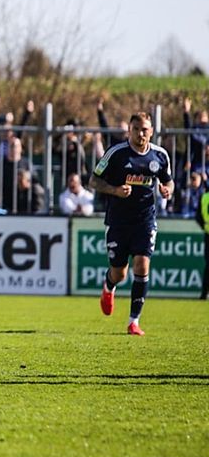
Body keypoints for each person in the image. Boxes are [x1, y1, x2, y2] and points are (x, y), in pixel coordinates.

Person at [90, 112, 173, 336]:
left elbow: (168, 181)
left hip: (145, 220)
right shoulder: (116, 153)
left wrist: (167, 190)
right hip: (118, 221)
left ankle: (133, 321)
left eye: (144, 129)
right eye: (136, 129)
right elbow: (93, 180)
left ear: (151, 131)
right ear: (129, 130)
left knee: (142, 265)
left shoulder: (160, 155)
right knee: (120, 273)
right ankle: (109, 286)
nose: (140, 134)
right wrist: (115, 190)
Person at [196, 184, 209, 300]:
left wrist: (205, 227)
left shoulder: (204, 197)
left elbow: (198, 217)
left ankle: (204, 293)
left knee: (208, 266)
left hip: (208, 234)